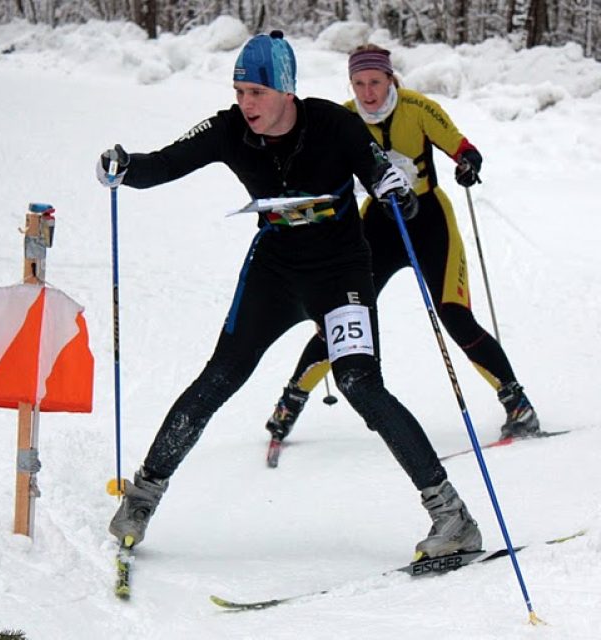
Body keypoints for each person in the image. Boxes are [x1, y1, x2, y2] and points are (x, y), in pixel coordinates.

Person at [96, 31, 481, 560]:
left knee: (360, 385)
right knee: (220, 376)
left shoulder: (332, 122)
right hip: (275, 272)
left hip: (341, 271)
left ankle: (452, 517)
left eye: (256, 92)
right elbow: (164, 163)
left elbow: (377, 171)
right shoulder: (229, 129)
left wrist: (393, 191)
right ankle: (141, 497)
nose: (245, 104)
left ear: (285, 90)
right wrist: (125, 166)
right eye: (239, 92)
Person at [264, 44, 540, 446]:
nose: (368, 92)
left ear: (390, 79)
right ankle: (291, 400)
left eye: (375, 82)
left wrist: (468, 165)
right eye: (359, 84)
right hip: (377, 225)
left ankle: (517, 403)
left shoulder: (417, 108)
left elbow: (463, 148)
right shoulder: (342, 118)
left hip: (429, 220)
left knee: (455, 314)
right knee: (343, 318)